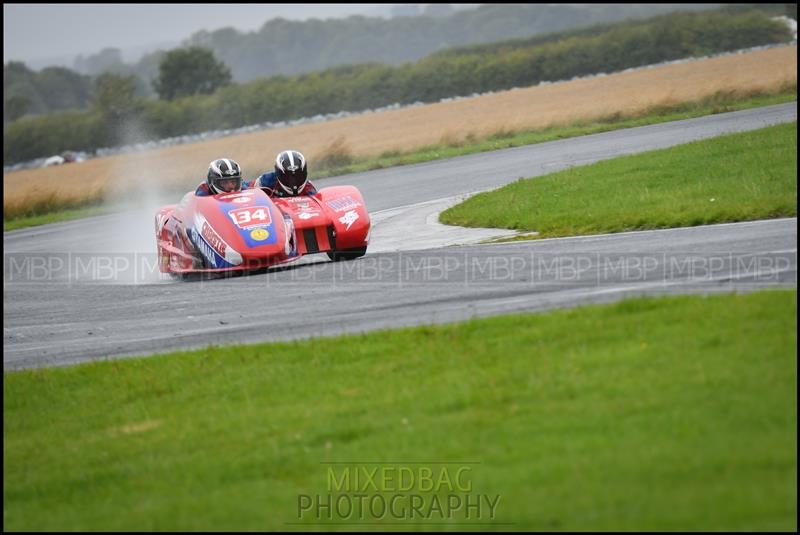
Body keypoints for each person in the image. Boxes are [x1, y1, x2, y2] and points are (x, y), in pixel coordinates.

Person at [251, 150, 317, 197]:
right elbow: (245, 187)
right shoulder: (266, 181)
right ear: (279, 174)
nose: (293, 182)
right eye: (288, 177)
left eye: (298, 176)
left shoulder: (309, 188)